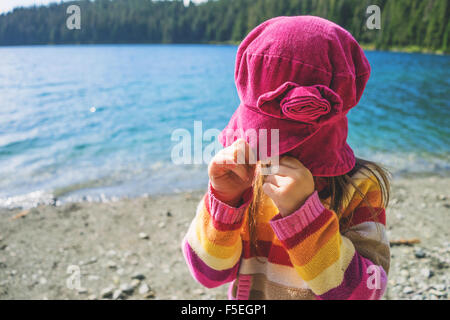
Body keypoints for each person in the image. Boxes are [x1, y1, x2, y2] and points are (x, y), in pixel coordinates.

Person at [181, 16, 390, 300]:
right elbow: (208, 273)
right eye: (258, 131)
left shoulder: (361, 186)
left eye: (274, 135)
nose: (260, 147)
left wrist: (305, 218)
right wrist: (225, 202)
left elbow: (368, 292)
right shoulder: (248, 177)